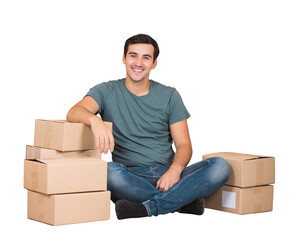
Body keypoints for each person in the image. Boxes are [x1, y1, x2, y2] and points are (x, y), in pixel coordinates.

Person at [66, 34, 230, 220]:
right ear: (124, 58)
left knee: (220, 166)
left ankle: (149, 208)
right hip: (129, 176)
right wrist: (95, 121)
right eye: (133, 55)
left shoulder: (170, 95)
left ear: (154, 63)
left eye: (146, 57)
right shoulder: (105, 91)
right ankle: (181, 202)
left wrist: (174, 170)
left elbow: (184, 145)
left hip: (169, 175)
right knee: (108, 171)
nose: (138, 63)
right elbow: (74, 112)